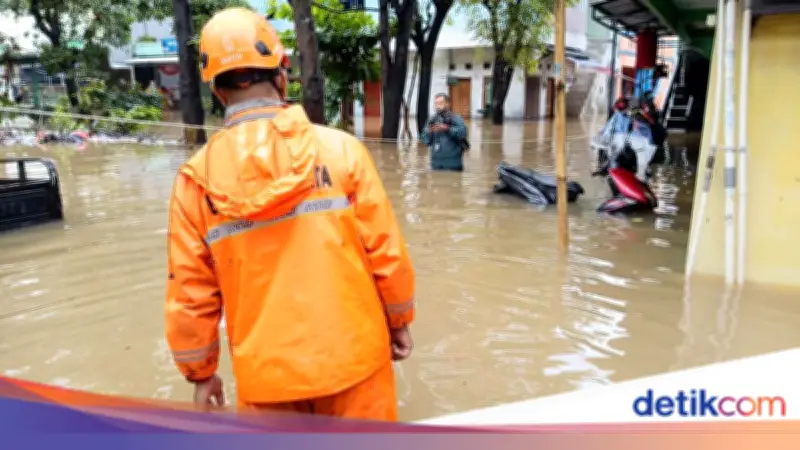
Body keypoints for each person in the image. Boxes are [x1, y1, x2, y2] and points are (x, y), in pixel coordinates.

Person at [165, 7, 416, 421]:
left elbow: (189, 293)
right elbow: (386, 254)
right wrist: (399, 320)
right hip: (356, 364)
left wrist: (200, 374)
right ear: (282, 75)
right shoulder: (342, 151)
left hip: (267, 381)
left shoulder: (196, 180)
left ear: (218, 92)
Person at [420, 94, 468, 171]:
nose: (438, 106)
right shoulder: (431, 119)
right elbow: (425, 140)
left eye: (441, 103)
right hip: (436, 164)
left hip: (453, 164)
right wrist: (429, 132)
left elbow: (463, 133)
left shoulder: (456, 118)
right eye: (436, 103)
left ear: (447, 104)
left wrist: (447, 129)